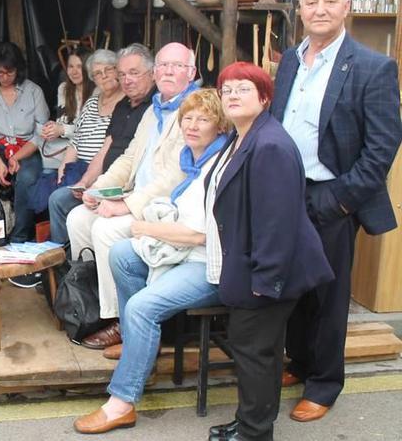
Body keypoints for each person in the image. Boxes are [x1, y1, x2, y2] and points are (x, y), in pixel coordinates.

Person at [270, 0, 402, 423]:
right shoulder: (290, 60)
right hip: (287, 192)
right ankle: (300, 362)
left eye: (330, 1)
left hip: (333, 195)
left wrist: (341, 201)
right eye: (311, 3)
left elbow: (382, 147)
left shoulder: (372, 66)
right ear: (301, 10)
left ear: (346, 7)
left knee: (328, 294)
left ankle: (324, 383)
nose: (320, 10)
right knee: (293, 287)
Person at [74, 89, 230, 434]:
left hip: (208, 264)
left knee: (142, 306)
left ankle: (121, 403)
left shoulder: (219, 166)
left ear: (219, 126)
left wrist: (142, 226)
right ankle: (138, 345)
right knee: (122, 254)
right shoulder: (191, 159)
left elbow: (198, 235)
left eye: (203, 119)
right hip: (183, 251)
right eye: (187, 118)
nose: (192, 125)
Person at [207, 62, 334, 441]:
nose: (232, 95)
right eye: (226, 89)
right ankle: (250, 422)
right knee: (259, 353)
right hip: (250, 267)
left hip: (264, 274)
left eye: (243, 89)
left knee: (254, 356)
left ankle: (254, 433)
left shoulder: (270, 145)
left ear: (264, 98)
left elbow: (276, 222)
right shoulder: (245, 136)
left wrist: (267, 279)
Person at [66, 42, 195, 350]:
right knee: (78, 218)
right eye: (163, 65)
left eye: (174, 66)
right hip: (138, 197)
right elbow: (128, 157)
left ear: (190, 72)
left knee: (105, 229)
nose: (166, 71)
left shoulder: (192, 109)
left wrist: (125, 205)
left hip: (168, 208)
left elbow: (177, 175)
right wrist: (100, 188)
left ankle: (121, 321)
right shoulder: (153, 109)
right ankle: (94, 302)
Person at [0, 41, 49, 261]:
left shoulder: (33, 91)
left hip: (26, 148)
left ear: (19, 69)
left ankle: (20, 238)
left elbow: (42, 131)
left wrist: (18, 157)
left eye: (9, 72)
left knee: (28, 178)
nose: (4, 77)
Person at [46, 48, 127, 244]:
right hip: (78, 168)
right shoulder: (91, 103)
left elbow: (110, 149)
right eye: (98, 73)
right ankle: (61, 253)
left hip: (101, 173)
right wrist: (64, 167)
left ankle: (63, 257)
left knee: (58, 199)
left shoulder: (125, 103)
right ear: (93, 79)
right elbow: (76, 139)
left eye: (108, 69)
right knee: (50, 188)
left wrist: (87, 179)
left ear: (117, 70)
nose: (104, 76)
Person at [39, 46, 96, 170]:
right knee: (46, 171)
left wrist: (63, 130)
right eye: (71, 66)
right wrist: (53, 128)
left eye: (79, 67)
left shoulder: (97, 92)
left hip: (89, 152)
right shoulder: (64, 88)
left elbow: (90, 132)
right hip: (64, 150)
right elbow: (62, 122)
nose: (74, 72)